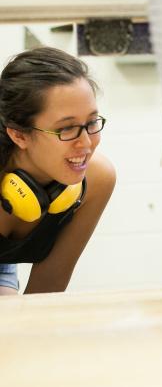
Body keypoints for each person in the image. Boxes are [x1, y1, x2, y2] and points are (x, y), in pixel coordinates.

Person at [0, 46, 115, 294]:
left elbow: (47, 291)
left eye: (92, 122)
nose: (86, 143)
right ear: (19, 134)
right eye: (66, 128)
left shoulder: (96, 179)